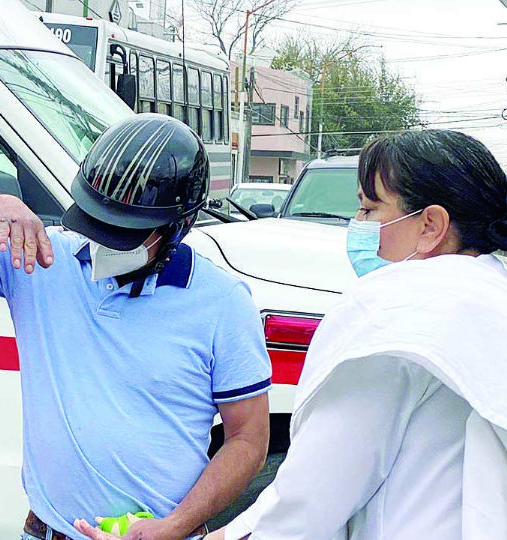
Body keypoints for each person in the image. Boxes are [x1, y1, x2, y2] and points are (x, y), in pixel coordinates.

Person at [0, 114, 272, 540]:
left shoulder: (222, 303)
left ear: (177, 226)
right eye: (97, 222)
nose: (105, 239)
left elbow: (248, 438)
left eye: (124, 232)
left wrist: (174, 526)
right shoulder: (41, 258)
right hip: (45, 532)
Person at [201, 129, 507, 540]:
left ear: (431, 225)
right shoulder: (492, 298)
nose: (356, 225)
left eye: (368, 209)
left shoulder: (396, 316)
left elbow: (309, 502)